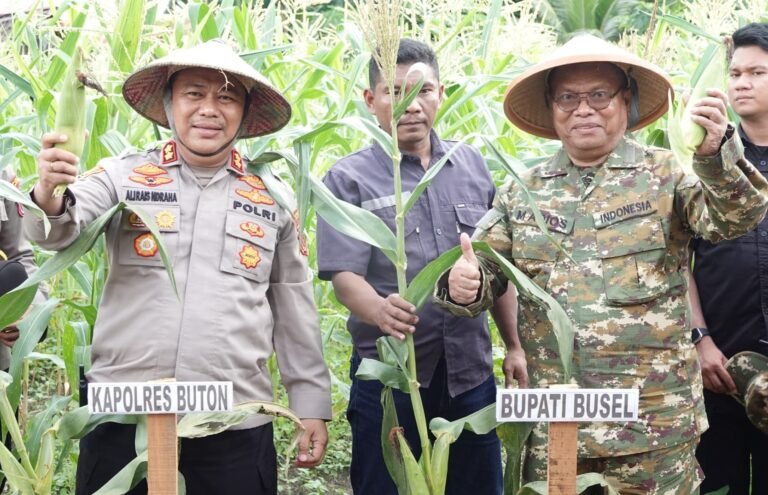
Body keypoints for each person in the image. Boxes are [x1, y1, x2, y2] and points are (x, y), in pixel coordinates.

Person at [440, 33, 768, 493]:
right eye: (568, 98)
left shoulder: (667, 173)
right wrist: (465, 285)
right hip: (559, 423)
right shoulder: (523, 189)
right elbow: (488, 271)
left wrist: (714, 154)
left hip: (651, 425)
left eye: (599, 95)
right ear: (552, 108)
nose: (584, 109)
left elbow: (734, 219)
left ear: (626, 101)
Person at [23, 40, 331, 495]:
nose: (210, 108)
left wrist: (311, 404)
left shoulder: (273, 199)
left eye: (226, 97)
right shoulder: (122, 176)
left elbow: (293, 305)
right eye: (194, 93)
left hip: (232, 420)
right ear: (168, 105)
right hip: (124, 414)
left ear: (245, 114)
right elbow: (56, 231)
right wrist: (49, 189)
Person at [316, 38, 519, 495]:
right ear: (371, 100)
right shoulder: (348, 178)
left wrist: (515, 345)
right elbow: (344, 275)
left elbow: (496, 267)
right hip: (391, 377)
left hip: (470, 375)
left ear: (440, 94)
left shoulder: (470, 166)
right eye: (394, 92)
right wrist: (378, 310)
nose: (411, 105)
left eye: (422, 91)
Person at [687, 22, 768, 495]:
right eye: (735, 72)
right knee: (720, 482)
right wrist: (700, 340)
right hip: (720, 363)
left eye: (756, 72)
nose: (741, 82)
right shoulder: (704, 155)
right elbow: (679, 261)